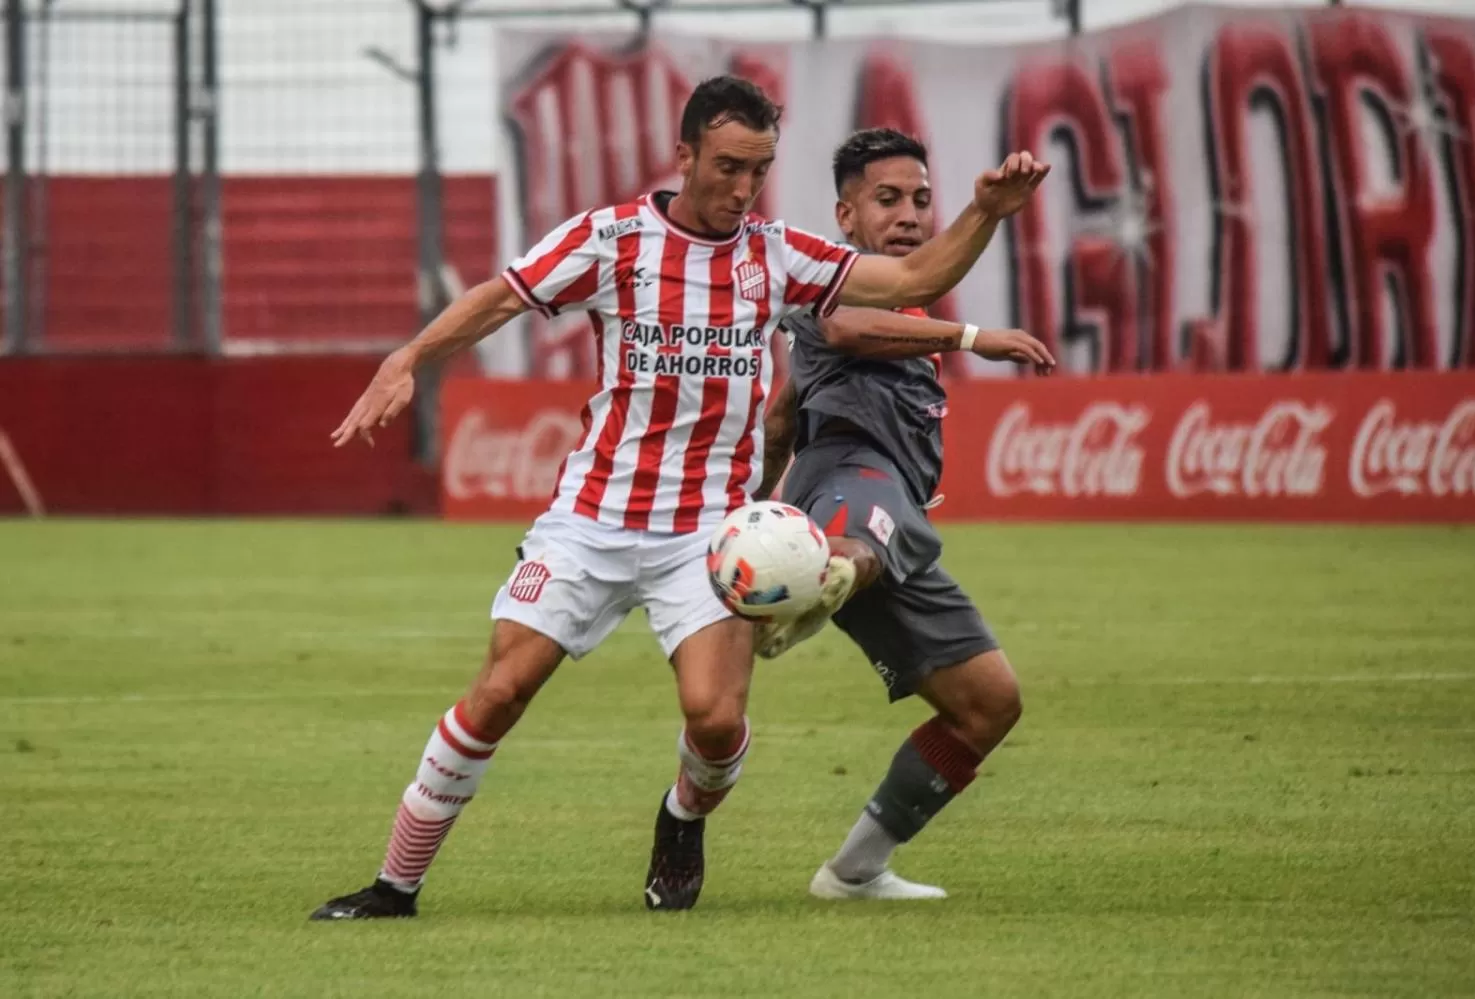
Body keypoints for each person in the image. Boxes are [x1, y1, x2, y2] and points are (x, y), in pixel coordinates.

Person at [311, 80, 1050, 920]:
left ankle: (681, 817)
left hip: (705, 536)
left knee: (713, 722)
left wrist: (987, 212)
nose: (742, 189)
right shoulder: (612, 238)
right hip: (590, 517)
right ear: (686, 155)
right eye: (728, 167)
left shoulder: (776, 254)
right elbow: (500, 297)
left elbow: (918, 272)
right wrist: (408, 356)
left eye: (760, 170)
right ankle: (394, 885)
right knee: (499, 691)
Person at [754, 127, 1055, 901]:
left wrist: (755, 502)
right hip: (852, 475)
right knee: (861, 537)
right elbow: (844, 327)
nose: (910, 214)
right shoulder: (828, 279)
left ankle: (854, 870)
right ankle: (814, 583)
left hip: (885, 509)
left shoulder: (904, 306)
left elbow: (784, 413)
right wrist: (971, 336)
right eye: (887, 199)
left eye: (922, 199)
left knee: (989, 702)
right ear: (845, 215)